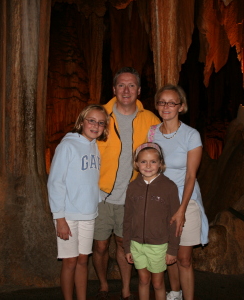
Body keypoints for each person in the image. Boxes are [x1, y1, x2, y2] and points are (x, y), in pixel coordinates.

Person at [93, 67, 160, 300]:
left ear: (139, 91)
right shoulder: (100, 116)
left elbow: (161, 153)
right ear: (114, 89)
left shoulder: (150, 119)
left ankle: (124, 288)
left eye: (131, 85)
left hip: (131, 196)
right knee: (100, 245)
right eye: (121, 85)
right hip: (101, 194)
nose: (126, 90)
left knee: (123, 244)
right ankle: (102, 284)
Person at [148, 84, 209, 300]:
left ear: (180, 106)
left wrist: (181, 209)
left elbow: (191, 175)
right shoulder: (152, 133)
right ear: (157, 106)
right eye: (162, 102)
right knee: (168, 254)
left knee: (183, 257)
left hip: (186, 200)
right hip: (160, 201)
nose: (166, 106)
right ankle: (175, 293)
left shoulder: (191, 135)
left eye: (171, 102)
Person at [47, 104, 109, 300]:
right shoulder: (68, 146)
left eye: (100, 123)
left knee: (83, 259)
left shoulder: (94, 147)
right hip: (68, 214)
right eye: (91, 120)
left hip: (88, 213)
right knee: (70, 261)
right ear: (81, 121)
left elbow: (89, 181)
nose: (95, 126)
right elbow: (56, 182)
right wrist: (60, 218)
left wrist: (103, 197)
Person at [123, 143, 181, 300]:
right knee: (143, 280)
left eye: (153, 161)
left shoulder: (169, 187)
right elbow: (127, 218)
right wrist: (127, 246)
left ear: (161, 163)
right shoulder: (132, 187)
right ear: (136, 164)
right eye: (143, 161)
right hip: (136, 244)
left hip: (159, 245)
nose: (148, 166)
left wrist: (173, 249)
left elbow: (175, 221)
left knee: (157, 283)